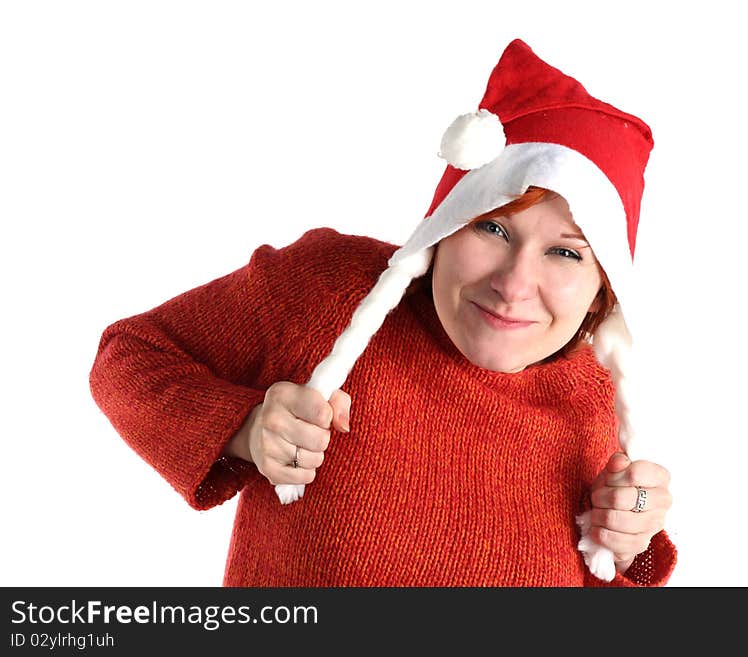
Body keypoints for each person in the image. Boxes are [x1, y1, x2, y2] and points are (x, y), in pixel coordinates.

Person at [89, 38, 677, 586]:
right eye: (492, 226)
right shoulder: (329, 292)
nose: (515, 284)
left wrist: (630, 542)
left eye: (566, 252)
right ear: (446, 223)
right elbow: (130, 354)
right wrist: (246, 431)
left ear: (602, 289)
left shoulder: (595, 399)